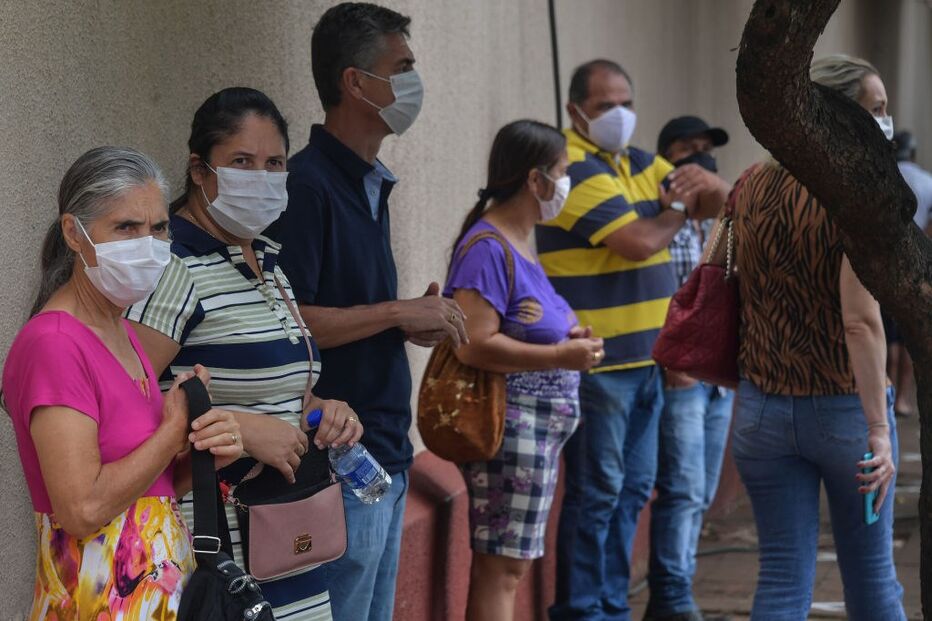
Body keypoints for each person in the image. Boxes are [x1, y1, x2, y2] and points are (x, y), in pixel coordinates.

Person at [126, 87, 363, 620]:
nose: (260, 176)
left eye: (274, 163)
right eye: (241, 162)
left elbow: (277, 387)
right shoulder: (175, 269)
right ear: (199, 170)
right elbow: (122, 405)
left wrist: (323, 411)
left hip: (290, 541)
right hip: (215, 556)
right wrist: (240, 426)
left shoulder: (267, 262)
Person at [266, 4, 466, 619]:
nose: (413, 82)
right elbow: (288, 321)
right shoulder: (306, 186)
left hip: (384, 454)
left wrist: (408, 320)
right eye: (401, 67)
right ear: (355, 82)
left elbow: (356, 313)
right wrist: (394, 310)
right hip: (332, 463)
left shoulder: (368, 181)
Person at [3, 146, 241, 619]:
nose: (148, 243)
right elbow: (82, 508)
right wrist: (172, 432)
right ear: (75, 233)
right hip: (92, 605)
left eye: (158, 228)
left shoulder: (123, 332)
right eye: (127, 227)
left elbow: (149, 487)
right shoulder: (53, 343)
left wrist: (204, 454)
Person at [538, 59, 730, 620]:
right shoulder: (569, 167)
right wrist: (674, 207)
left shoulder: (643, 163)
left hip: (648, 362)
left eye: (626, 101)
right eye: (604, 106)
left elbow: (717, 201)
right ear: (576, 112)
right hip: (599, 366)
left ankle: (613, 606)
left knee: (630, 494)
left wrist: (696, 194)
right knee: (596, 497)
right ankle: (581, 610)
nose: (619, 114)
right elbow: (637, 242)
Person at [729, 54, 906, 620]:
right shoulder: (856, 195)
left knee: (781, 577)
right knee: (873, 578)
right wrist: (880, 430)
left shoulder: (752, 182)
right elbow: (861, 320)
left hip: (761, 409)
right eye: (875, 109)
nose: (886, 121)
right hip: (845, 410)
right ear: (836, 114)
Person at [445, 120, 605, 620]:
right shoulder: (489, 247)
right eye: (561, 172)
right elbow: (474, 345)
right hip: (511, 431)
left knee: (511, 567)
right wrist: (561, 356)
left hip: (535, 433)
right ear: (535, 180)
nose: (566, 183)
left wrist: (568, 337)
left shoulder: (519, 240)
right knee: (502, 570)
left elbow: (526, 323)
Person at [644, 116, 735, 621]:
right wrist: (673, 356)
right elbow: (659, 290)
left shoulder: (724, 218)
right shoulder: (663, 216)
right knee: (681, 488)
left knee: (698, 491)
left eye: (706, 148)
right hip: (680, 375)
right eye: (686, 148)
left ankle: (676, 590)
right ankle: (674, 596)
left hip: (719, 381)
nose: (698, 157)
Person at [882, 130, 931, 418]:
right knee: (909, 338)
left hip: (885, 265)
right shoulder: (927, 181)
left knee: (887, 337)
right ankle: (903, 398)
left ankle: (886, 393)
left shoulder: (882, 176)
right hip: (918, 267)